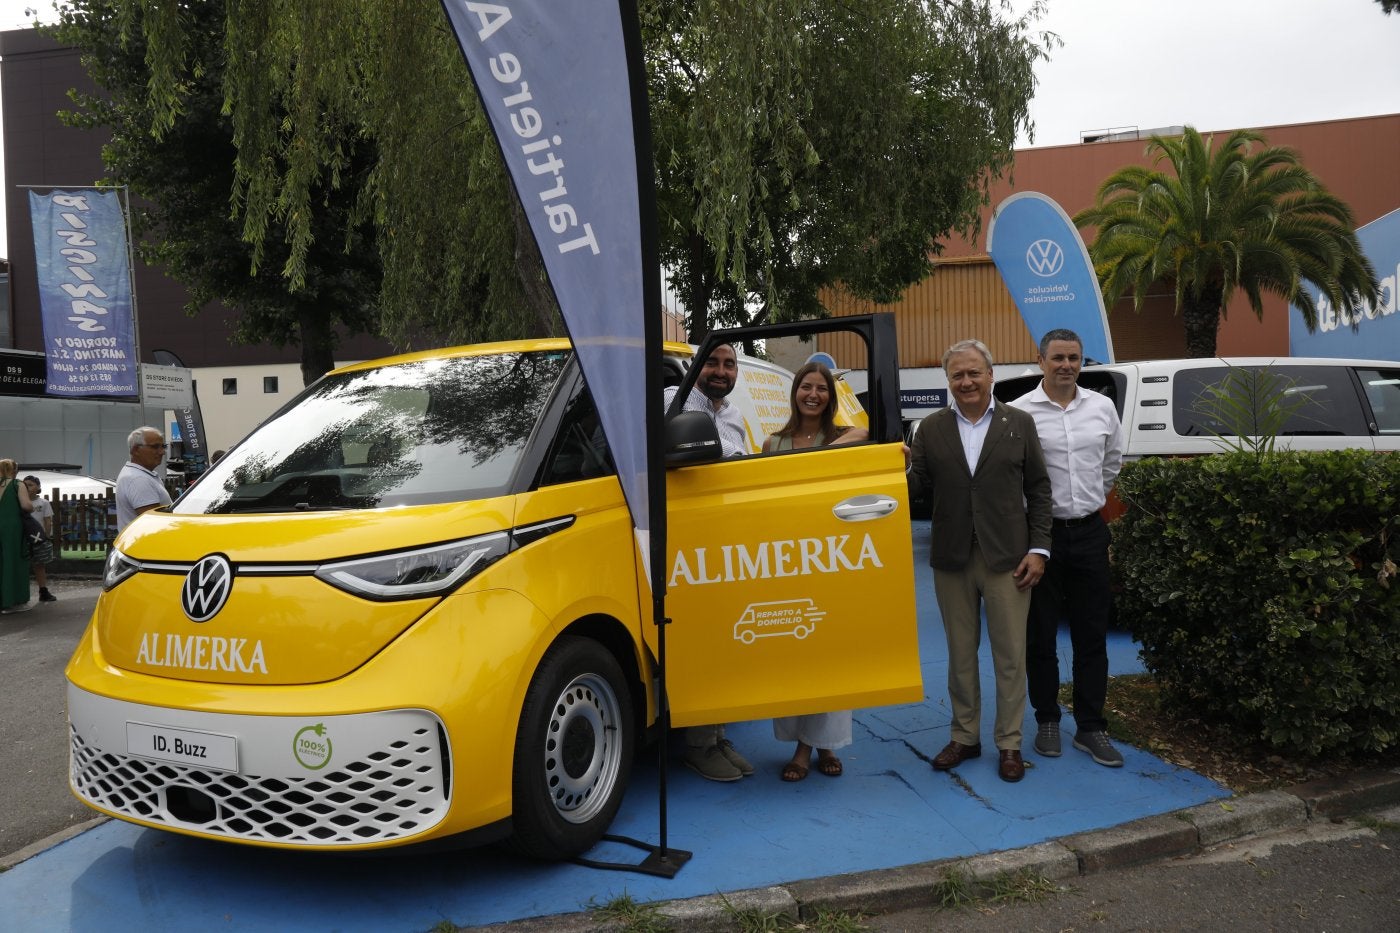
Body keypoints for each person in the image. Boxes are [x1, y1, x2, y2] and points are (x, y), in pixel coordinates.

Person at [908, 339, 1052, 783]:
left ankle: (1009, 743)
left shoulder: (1019, 423)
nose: (966, 381)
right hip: (952, 557)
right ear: (948, 380)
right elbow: (917, 488)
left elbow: (1039, 489)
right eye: (957, 374)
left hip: (1009, 558)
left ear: (991, 375)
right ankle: (965, 737)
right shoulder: (929, 428)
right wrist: (899, 469)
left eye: (974, 372)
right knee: (959, 655)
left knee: (1010, 656)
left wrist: (1039, 549)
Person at [1009, 329, 1126, 768]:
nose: (1066, 365)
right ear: (1040, 361)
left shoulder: (1101, 407)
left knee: (1091, 635)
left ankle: (1091, 727)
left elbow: (1112, 461)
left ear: (1081, 362)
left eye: (1074, 358)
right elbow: (1013, 475)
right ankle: (1047, 720)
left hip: (1090, 532)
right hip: (1041, 537)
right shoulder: (1020, 412)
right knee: (1040, 634)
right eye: (1058, 358)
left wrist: (1089, 500)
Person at [761, 362, 869, 780]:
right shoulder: (772, 443)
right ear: (794, 393)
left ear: (830, 396)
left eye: (821, 388)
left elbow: (866, 434)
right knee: (796, 654)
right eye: (805, 386)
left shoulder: (845, 436)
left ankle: (814, 747)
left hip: (831, 559)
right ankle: (813, 743)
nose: (813, 394)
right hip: (787, 561)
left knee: (830, 655)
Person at [662, 344, 755, 781]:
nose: (721, 371)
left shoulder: (734, 415)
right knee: (701, 641)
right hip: (688, 544)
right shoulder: (673, 401)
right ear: (695, 366)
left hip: (729, 541)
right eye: (712, 362)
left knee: (726, 640)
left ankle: (717, 735)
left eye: (729, 364)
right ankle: (698, 745)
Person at [116, 426, 174, 533]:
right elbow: (153, 524)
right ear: (136, 450)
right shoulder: (139, 479)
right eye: (155, 447)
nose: (162, 452)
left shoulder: (137, 474)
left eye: (163, 446)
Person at [1, 458, 36, 614]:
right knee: (14, 560)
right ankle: (12, 601)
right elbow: (26, 505)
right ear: (13, 470)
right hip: (12, 528)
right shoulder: (17, 484)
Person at [22, 476, 57, 602]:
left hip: (38, 539)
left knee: (39, 565)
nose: (27, 487)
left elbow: (48, 521)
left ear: (38, 487)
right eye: (25, 485)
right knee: (22, 565)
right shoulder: (20, 503)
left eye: (31, 485)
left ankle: (43, 591)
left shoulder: (44, 503)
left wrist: (46, 536)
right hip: (23, 538)